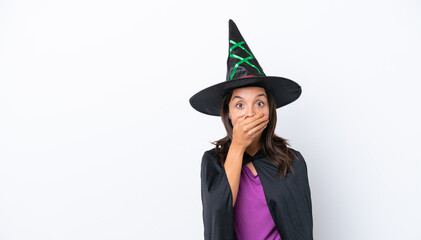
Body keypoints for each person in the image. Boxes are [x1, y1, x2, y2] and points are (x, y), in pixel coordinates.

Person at [189, 19, 313, 240]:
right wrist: (237, 146)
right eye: (239, 105)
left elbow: (300, 227)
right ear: (228, 113)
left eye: (259, 103)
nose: (250, 113)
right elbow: (216, 216)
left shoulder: (292, 161)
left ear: (270, 111)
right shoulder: (213, 163)